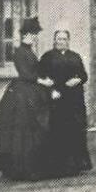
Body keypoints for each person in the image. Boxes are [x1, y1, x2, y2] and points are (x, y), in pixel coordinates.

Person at [0, 16, 51, 181]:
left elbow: (35, 69)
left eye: (35, 35)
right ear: (25, 35)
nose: (34, 38)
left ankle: (32, 165)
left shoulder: (29, 51)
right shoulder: (19, 52)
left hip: (31, 89)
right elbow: (26, 74)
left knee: (33, 128)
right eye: (32, 34)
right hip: (22, 93)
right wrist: (42, 81)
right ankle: (19, 168)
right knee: (23, 129)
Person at [38, 26, 92, 177]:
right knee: (58, 131)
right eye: (58, 39)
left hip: (74, 100)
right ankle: (57, 167)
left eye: (64, 39)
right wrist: (51, 91)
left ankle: (75, 165)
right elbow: (41, 77)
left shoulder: (75, 56)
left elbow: (84, 75)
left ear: (68, 41)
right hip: (56, 99)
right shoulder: (47, 57)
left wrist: (78, 79)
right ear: (54, 41)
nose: (61, 41)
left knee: (74, 131)